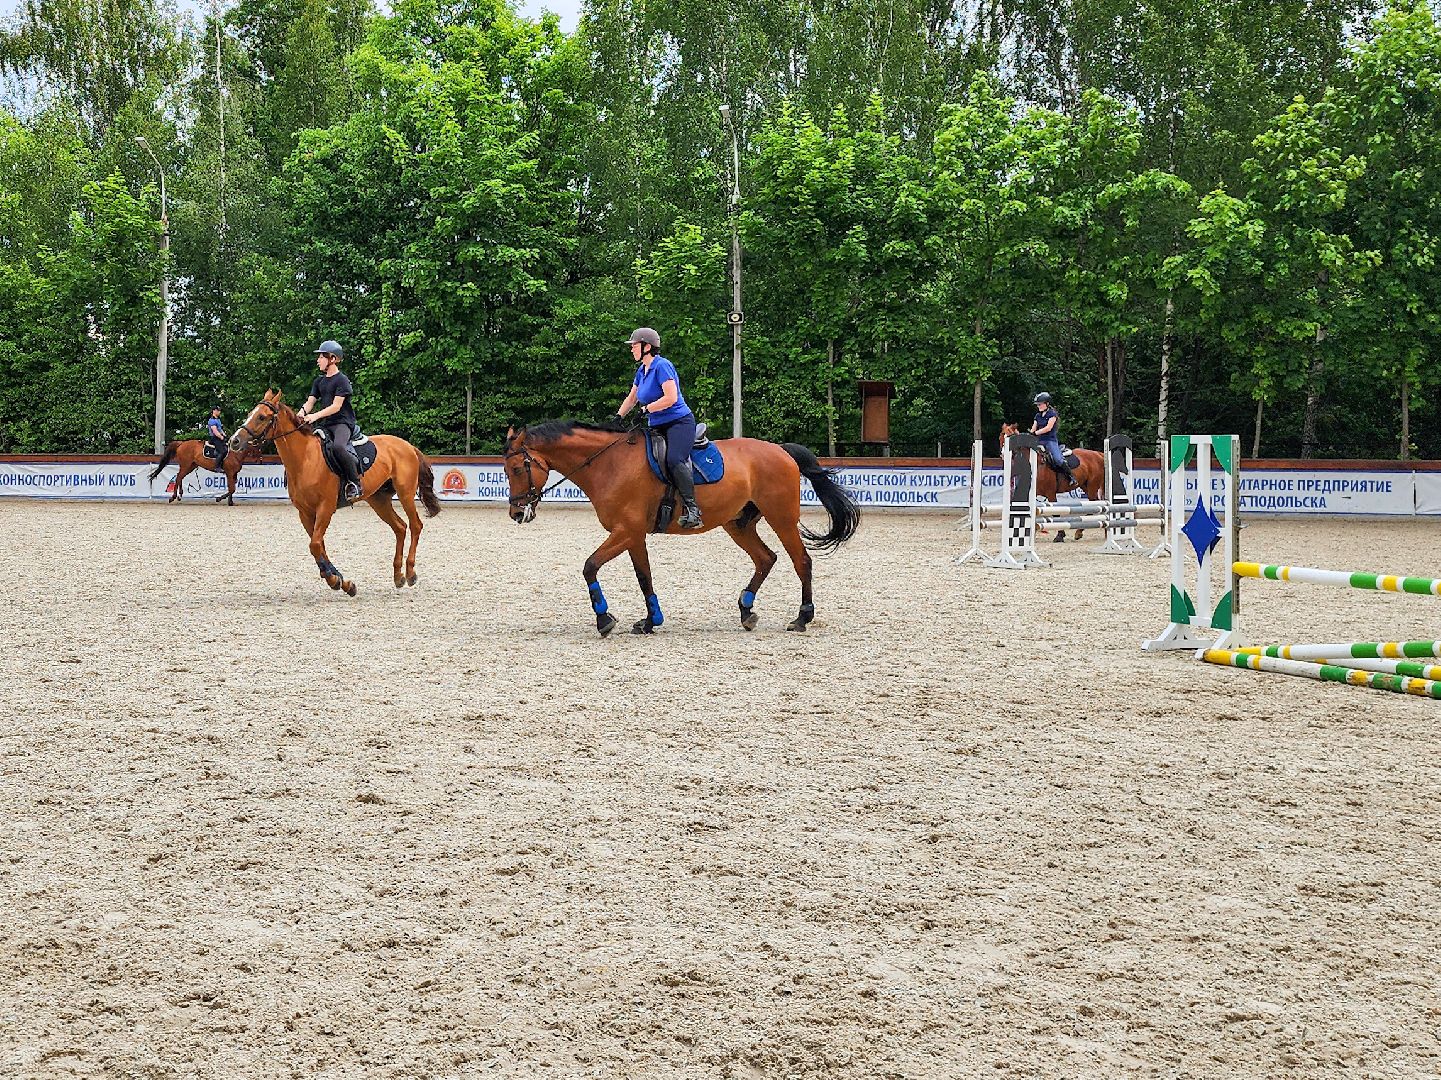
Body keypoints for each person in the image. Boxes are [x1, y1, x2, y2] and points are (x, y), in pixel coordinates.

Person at [615, 327, 702, 529]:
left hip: (678, 422)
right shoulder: (642, 370)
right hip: (656, 424)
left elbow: (671, 398)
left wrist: (646, 409)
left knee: (674, 458)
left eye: (634, 346)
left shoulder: (662, 366)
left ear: (647, 347)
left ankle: (693, 509)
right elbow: (632, 398)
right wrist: (618, 417)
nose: (631, 349)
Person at [298, 339, 362, 505]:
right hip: (325, 424)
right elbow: (310, 402)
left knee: (338, 447)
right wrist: (301, 414)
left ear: (332, 358)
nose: (318, 360)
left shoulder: (342, 380)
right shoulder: (319, 381)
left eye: (321, 357)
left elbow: (336, 406)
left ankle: (354, 483)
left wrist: (314, 416)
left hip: (342, 423)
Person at [1029, 391, 1079, 490]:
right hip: (1038, 441)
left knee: (1058, 459)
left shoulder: (1052, 414)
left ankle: (1071, 477)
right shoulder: (1037, 416)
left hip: (1050, 441)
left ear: (1047, 403)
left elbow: (1048, 428)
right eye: (1037, 404)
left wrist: (1036, 433)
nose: (1038, 406)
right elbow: (1033, 428)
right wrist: (1029, 435)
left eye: (1040, 404)